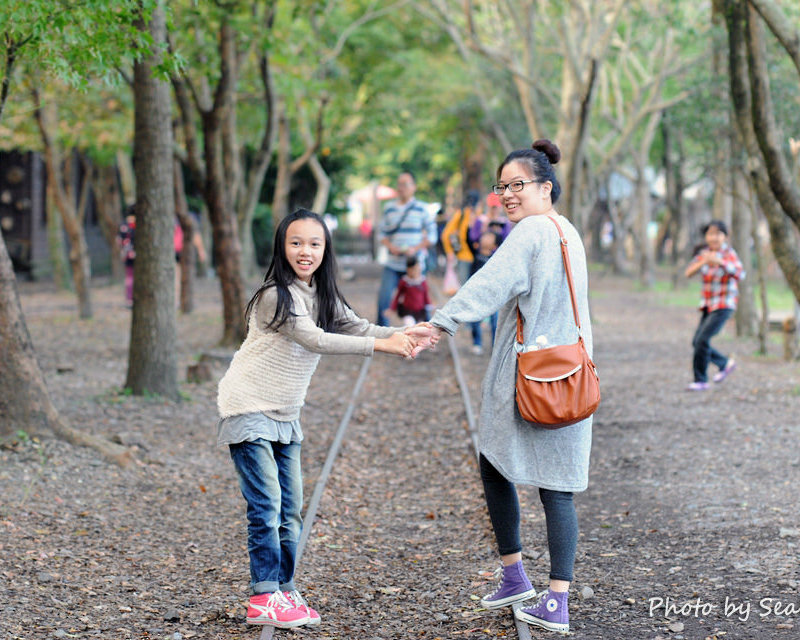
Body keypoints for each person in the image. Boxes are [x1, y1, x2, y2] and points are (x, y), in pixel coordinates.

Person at [217, 209, 425, 629]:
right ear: (282, 247)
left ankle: (284, 587)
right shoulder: (275, 294)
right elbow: (315, 339)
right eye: (296, 243)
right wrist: (384, 348)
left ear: (325, 249)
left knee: (291, 508)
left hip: (286, 412)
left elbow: (356, 326)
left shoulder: (323, 295)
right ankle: (263, 595)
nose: (305, 251)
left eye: (314, 243)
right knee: (267, 504)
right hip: (247, 404)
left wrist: (406, 332)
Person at [426, 140, 592, 635]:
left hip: (527, 374)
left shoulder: (531, 231)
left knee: (493, 461)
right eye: (502, 186)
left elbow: (490, 283)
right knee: (558, 488)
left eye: (517, 185)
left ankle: (516, 575)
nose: (507, 195)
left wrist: (440, 323)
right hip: (573, 372)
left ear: (545, 187)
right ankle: (553, 598)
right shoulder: (568, 231)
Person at [684, 219, 744, 391]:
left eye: (718, 234)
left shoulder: (729, 254)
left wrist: (721, 263)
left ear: (725, 236)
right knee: (697, 342)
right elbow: (688, 272)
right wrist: (705, 261)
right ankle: (725, 363)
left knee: (702, 339)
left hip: (725, 304)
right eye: (710, 234)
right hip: (708, 305)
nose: (713, 238)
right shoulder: (704, 253)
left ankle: (700, 380)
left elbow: (741, 274)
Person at [376, 172, 436, 325]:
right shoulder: (389, 208)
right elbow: (381, 233)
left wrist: (416, 248)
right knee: (384, 298)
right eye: (399, 184)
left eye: (405, 184)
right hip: (393, 263)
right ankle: (383, 332)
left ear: (414, 187)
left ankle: (426, 332)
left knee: (420, 300)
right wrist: (391, 246)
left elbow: (432, 235)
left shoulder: (422, 208)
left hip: (414, 264)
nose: (401, 188)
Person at [469, 230, 500, 355]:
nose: (485, 238)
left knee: (495, 322)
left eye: (489, 237)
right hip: (478, 294)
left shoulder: (496, 258)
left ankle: (495, 345)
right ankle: (477, 343)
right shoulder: (476, 256)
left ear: (494, 246)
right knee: (475, 320)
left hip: (493, 296)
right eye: (484, 236)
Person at [442, 190, 479, 286]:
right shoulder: (462, 215)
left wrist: (449, 251)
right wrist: (450, 251)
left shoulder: (477, 215)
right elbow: (446, 234)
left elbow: (446, 234)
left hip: (474, 258)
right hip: (466, 257)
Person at [389, 255, 433, 325]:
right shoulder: (405, 281)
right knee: (409, 325)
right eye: (413, 269)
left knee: (420, 328)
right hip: (408, 311)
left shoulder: (422, 281)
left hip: (420, 311)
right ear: (408, 270)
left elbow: (426, 295)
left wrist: (429, 305)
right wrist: (392, 308)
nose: (415, 271)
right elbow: (398, 295)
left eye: (417, 269)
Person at [117, 206, 136, 307]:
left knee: (129, 277)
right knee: (133, 277)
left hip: (127, 254)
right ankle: (132, 298)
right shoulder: (136, 225)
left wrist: (123, 251)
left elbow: (119, 240)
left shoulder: (123, 225)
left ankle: (129, 299)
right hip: (136, 254)